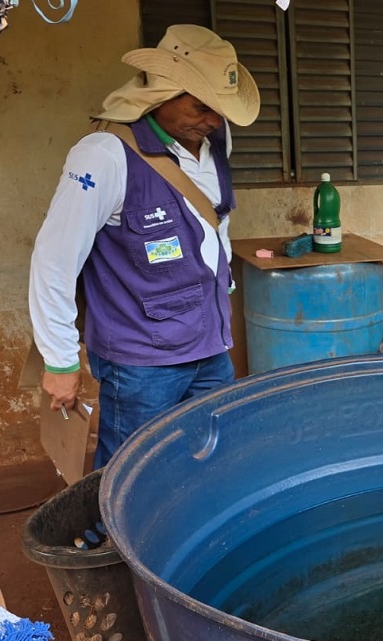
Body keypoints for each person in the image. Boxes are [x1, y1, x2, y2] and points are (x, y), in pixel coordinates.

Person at [28, 25, 260, 469]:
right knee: (132, 470)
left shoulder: (215, 141)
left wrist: (222, 273)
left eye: (220, 109)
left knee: (210, 460)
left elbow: (217, 220)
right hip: (141, 362)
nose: (214, 120)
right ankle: (109, 520)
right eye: (202, 107)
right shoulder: (104, 155)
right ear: (162, 94)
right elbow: (54, 261)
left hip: (210, 347)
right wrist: (59, 361)